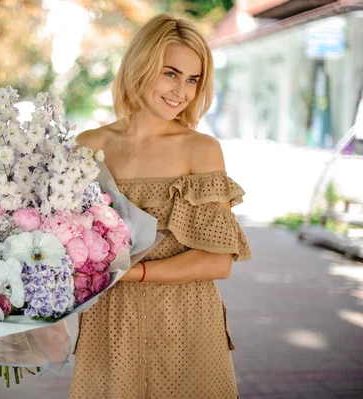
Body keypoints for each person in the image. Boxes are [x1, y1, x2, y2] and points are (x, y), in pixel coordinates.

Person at [69, 14, 252, 399]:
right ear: (140, 66)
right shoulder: (88, 146)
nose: (181, 91)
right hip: (108, 323)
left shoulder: (200, 150)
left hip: (186, 320)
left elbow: (218, 262)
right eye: (170, 73)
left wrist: (130, 273)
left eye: (192, 79)